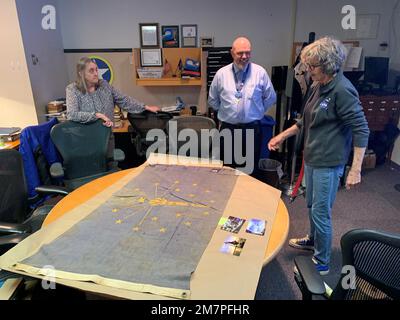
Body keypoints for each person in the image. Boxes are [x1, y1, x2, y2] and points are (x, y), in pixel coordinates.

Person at [268, 37, 369, 275]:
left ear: (328, 64)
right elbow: (305, 120)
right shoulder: (317, 85)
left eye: (312, 66)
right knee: (312, 205)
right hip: (312, 159)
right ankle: (313, 240)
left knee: (321, 212)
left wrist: (355, 169)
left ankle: (322, 262)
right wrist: (282, 136)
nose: (308, 70)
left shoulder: (342, 90)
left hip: (328, 163)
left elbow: (361, 129)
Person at [66, 57, 160, 160]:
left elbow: (124, 100)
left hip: (106, 137)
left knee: (110, 165)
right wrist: (96, 115)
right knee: (92, 169)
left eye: (96, 69)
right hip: (85, 140)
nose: (96, 73)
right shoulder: (72, 89)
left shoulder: (104, 85)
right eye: (91, 71)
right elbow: (72, 114)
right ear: (81, 73)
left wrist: (145, 107)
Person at [208, 37, 276, 175]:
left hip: (252, 129)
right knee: (227, 170)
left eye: (248, 53)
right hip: (228, 129)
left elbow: (270, 97)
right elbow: (212, 100)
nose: (244, 57)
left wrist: (258, 111)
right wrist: (226, 112)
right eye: (240, 53)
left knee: (250, 172)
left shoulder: (259, 72)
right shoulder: (221, 74)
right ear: (232, 53)